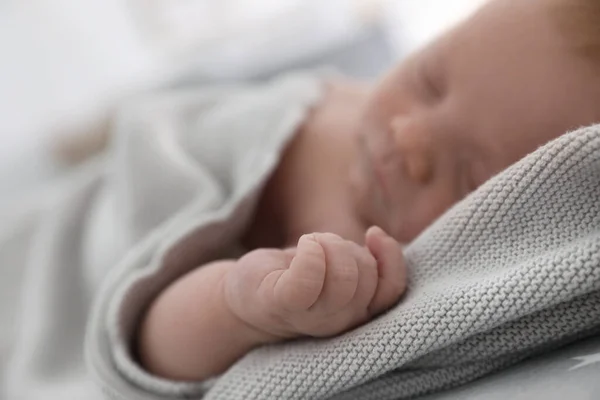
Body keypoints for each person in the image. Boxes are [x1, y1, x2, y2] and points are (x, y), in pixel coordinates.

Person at [2, 0, 600, 399]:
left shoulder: (352, 269)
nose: (408, 138)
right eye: (430, 78)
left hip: (57, 319)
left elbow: (145, 342)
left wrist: (238, 307)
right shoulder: (337, 109)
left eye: (469, 175)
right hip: (57, 236)